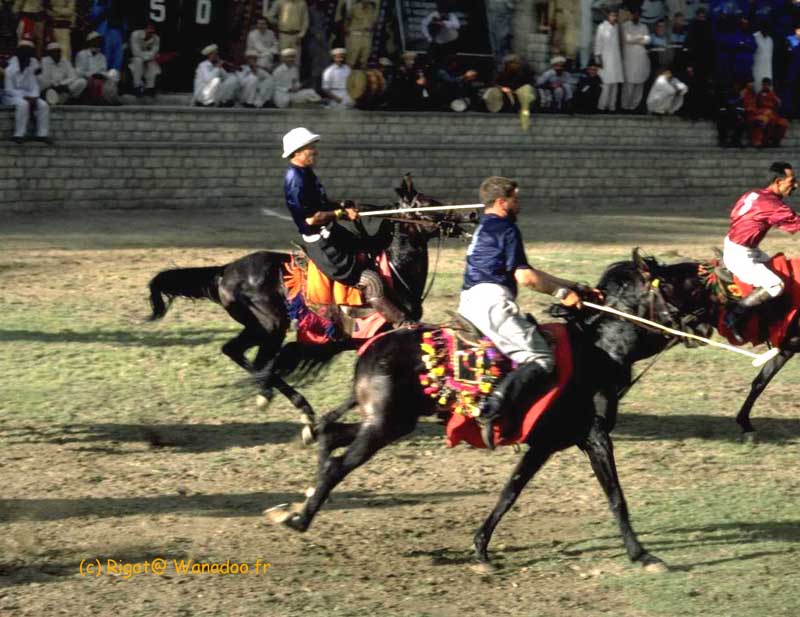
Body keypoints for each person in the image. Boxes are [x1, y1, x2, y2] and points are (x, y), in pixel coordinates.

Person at [458, 176, 601, 449]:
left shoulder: (485, 227)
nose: (518, 203)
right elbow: (524, 277)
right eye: (515, 198)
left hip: (471, 300)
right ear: (502, 202)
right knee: (542, 358)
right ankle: (490, 410)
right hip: (492, 304)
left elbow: (528, 269)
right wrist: (562, 295)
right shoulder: (507, 229)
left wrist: (573, 285)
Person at [281, 127, 408, 325]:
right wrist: (340, 214)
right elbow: (311, 220)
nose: (315, 151)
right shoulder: (295, 180)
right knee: (369, 279)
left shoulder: (306, 173)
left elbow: (320, 202)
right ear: (297, 152)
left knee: (372, 245)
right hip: (323, 245)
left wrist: (340, 205)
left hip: (332, 233)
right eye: (310, 147)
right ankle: (401, 324)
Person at [723, 162, 800, 342]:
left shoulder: (753, 194)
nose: (795, 185)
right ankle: (733, 316)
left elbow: (734, 214)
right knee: (776, 285)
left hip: (740, 246)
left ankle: (773, 318)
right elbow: (795, 223)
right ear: (778, 181)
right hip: (740, 254)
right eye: (792, 181)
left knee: (777, 273)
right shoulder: (772, 205)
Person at [3, 38, 51, 144]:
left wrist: (34, 97)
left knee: (44, 105)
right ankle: (19, 134)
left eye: (29, 52)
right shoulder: (10, 68)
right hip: (11, 97)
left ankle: (42, 134)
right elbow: (8, 90)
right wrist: (25, 97)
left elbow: (34, 85)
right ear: (19, 53)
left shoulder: (32, 64)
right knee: (23, 104)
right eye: (25, 51)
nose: (28, 55)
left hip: (30, 95)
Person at [75, 31, 120, 105]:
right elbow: (79, 72)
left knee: (114, 73)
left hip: (99, 78)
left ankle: (112, 99)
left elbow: (103, 71)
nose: (98, 43)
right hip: (86, 79)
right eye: (96, 41)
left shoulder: (102, 56)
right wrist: (92, 75)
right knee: (87, 82)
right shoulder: (82, 54)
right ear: (90, 42)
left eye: (99, 41)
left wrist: (102, 75)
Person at [594, 7, 623, 111]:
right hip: (605, 59)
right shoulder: (601, 27)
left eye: (615, 15)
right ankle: (601, 107)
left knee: (614, 85)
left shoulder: (617, 27)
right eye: (612, 15)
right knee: (606, 85)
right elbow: (598, 44)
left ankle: (612, 107)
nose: (613, 17)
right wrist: (598, 60)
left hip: (616, 60)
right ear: (608, 16)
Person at [621, 9, 650, 111]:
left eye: (639, 14)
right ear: (631, 14)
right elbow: (628, 39)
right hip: (630, 60)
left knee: (639, 84)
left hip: (641, 60)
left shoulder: (644, 26)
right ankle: (625, 106)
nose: (637, 16)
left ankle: (634, 106)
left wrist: (635, 39)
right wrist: (640, 38)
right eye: (635, 14)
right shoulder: (625, 26)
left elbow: (647, 40)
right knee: (628, 84)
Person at [267, 0, 309, 68]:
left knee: (296, 60)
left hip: (296, 35)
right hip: (284, 34)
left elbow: (305, 20)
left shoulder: (302, 3)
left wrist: (301, 35)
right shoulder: (280, 2)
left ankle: (295, 77)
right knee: (283, 58)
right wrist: (278, 23)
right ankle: (283, 77)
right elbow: (269, 16)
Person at [129, 22, 161, 97]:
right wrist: (147, 56)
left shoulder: (156, 38)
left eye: (152, 30)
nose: (150, 32)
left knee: (153, 67)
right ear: (145, 29)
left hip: (148, 59)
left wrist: (147, 57)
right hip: (134, 59)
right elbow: (135, 52)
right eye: (149, 29)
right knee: (138, 61)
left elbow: (154, 52)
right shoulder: (135, 34)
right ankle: (137, 86)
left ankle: (150, 88)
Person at [345, 0, 377, 68]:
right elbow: (348, 18)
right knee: (351, 58)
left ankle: (361, 77)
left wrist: (371, 28)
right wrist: (347, 29)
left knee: (365, 58)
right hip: (356, 34)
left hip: (367, 35)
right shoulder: (354, 7)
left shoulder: (372, 8)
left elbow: (373, 21)